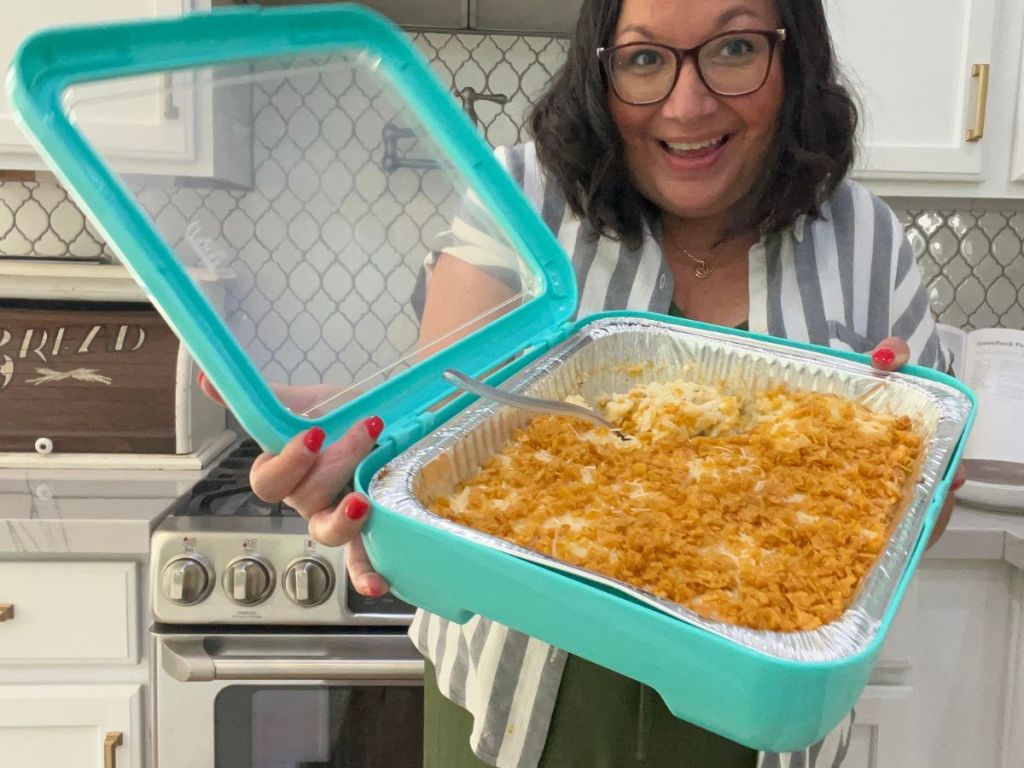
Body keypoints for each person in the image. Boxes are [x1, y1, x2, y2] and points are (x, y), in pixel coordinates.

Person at [200, 0, 967, 765]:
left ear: (792, 56)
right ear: (600, 71)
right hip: (517, 711)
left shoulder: (866, 239)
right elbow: (433, 424)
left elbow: (920, 515)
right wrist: (362, 458)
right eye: (644, 59)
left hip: (750, 726)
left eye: (734, 49)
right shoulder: (523, 197)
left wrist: (900, 476)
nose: (688, 103)